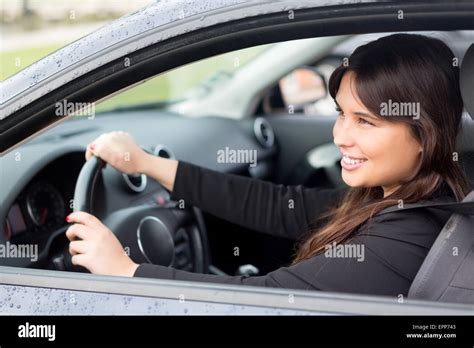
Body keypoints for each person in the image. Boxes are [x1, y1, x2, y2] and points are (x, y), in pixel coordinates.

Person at [65, 34, 470, 297]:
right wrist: (147, 164)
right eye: (341, 113)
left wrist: (125, 272)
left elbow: (266, 300)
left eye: (365, 121)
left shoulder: (408, 235)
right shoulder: (404, 196)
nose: (339, 136)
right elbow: (280, 205)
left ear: (425, 133)